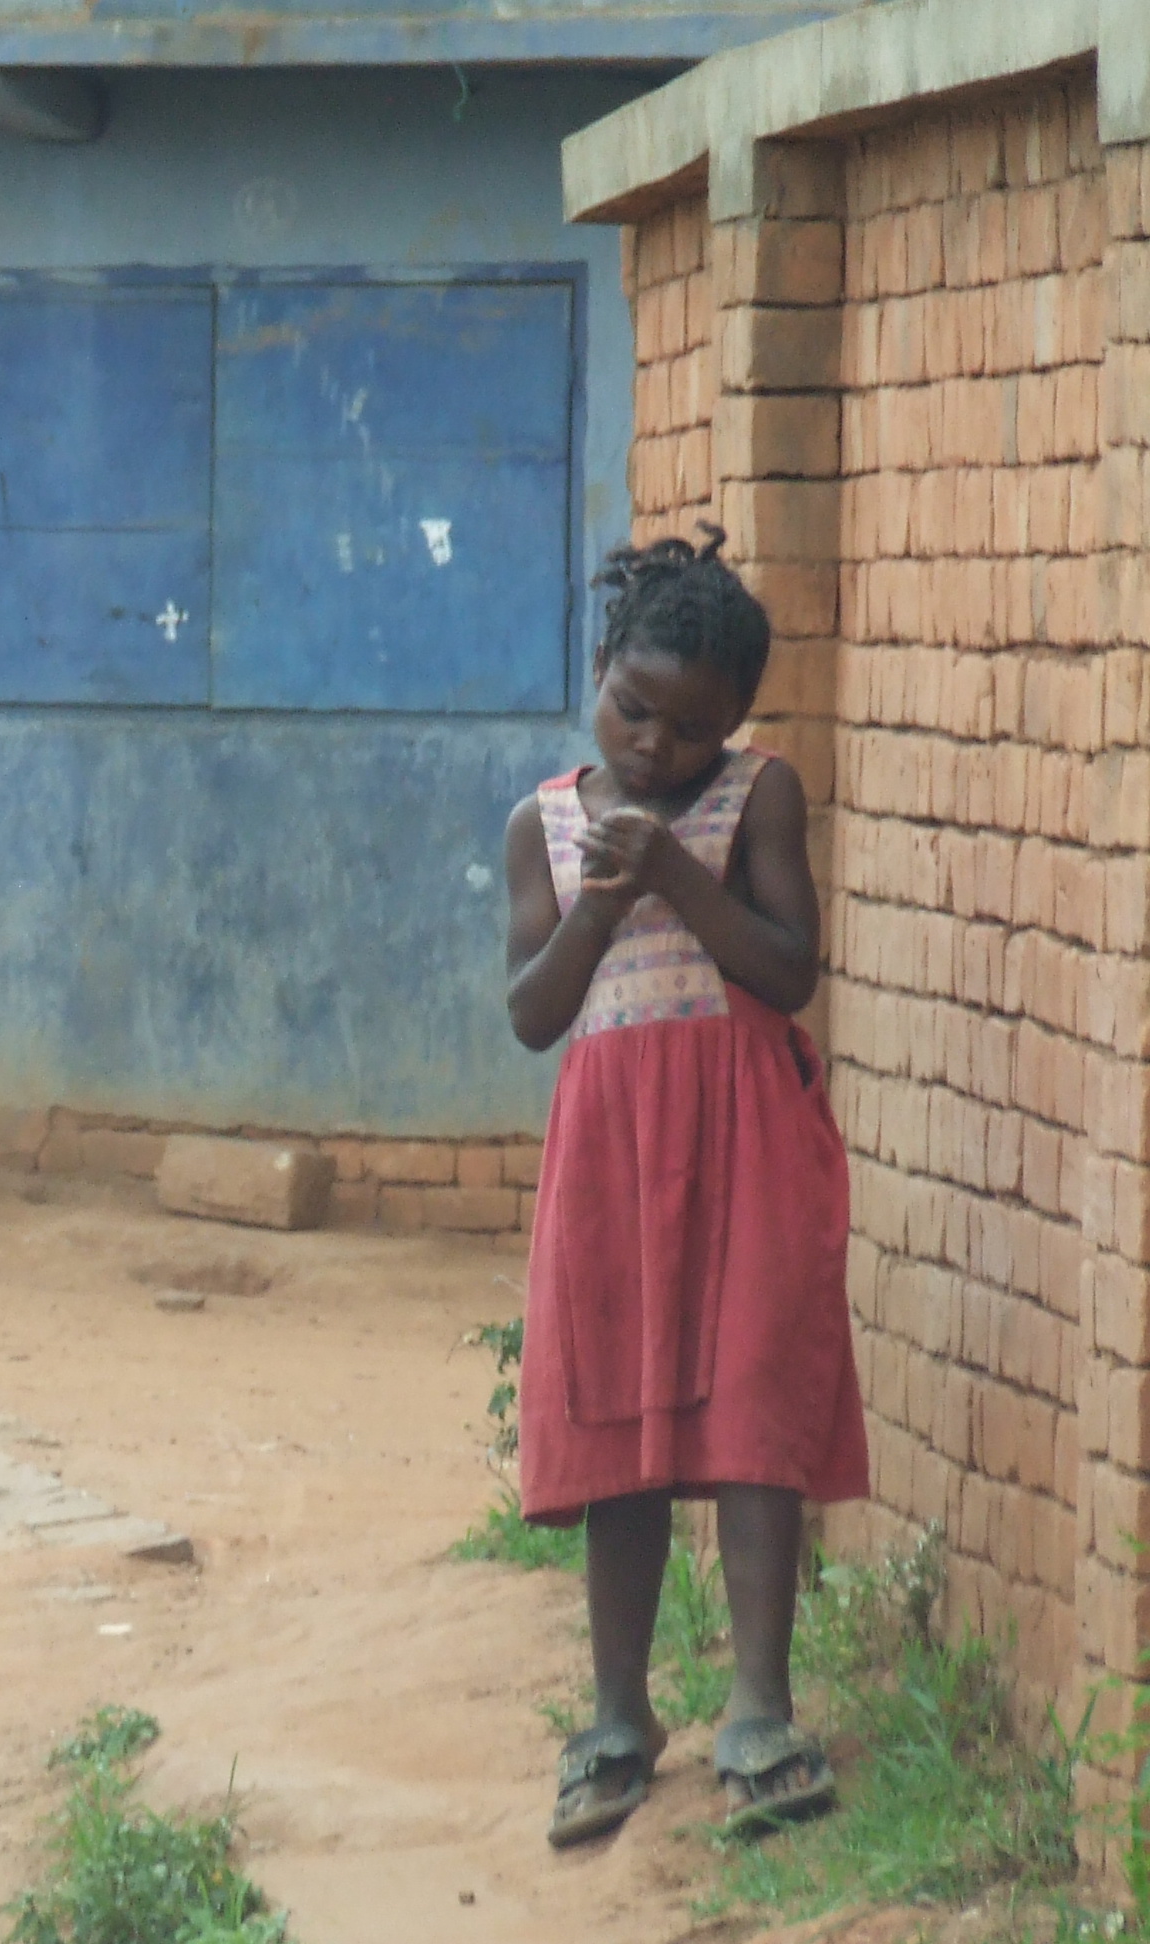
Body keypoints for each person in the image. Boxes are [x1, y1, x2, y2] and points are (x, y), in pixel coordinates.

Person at [500, 527, 869, 1849]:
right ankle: (618, 1717)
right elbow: (533, 1015)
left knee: (754, 1402)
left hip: (746, 1142)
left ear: (737, 723)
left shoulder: (759, 798)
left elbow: (787, 969)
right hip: (612, 1158)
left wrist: (674, 874)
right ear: (601, 665)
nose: (656, 747)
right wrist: (605, 900)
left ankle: (759, 1709)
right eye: (633, 709)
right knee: (621, 1421)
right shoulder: (543, 824)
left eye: (692, 728)